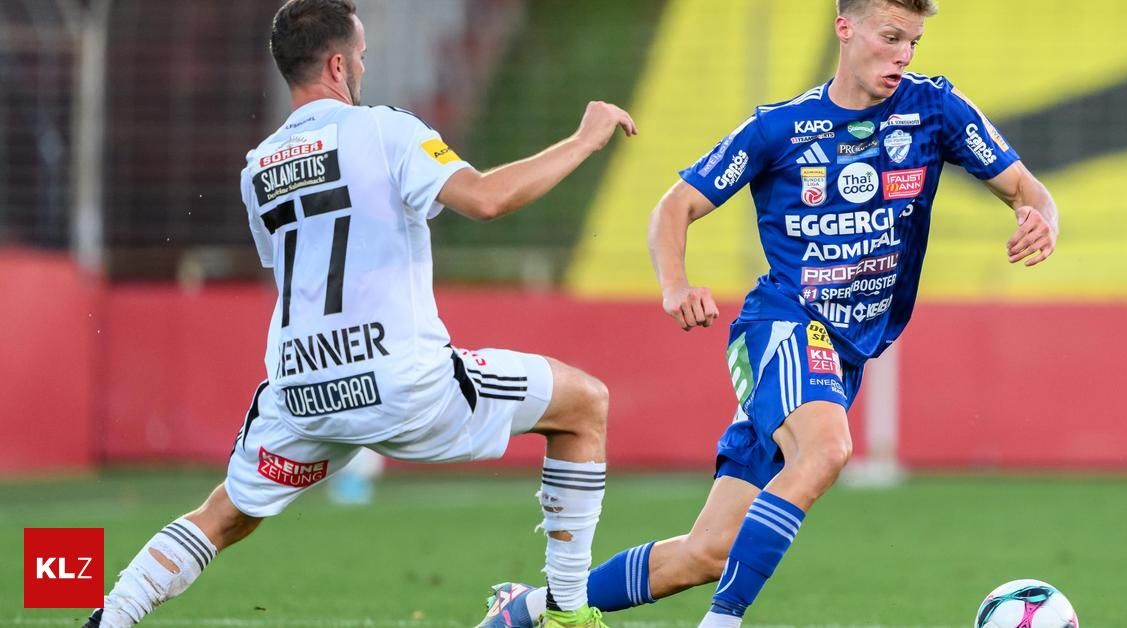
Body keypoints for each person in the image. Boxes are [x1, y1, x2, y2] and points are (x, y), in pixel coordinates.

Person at [479, 0, 1058, 625]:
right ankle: (723, 621)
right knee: (826, 451)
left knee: (708, 552)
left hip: (843, 356)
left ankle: (527, 608)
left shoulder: (935, 109)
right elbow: (674, 207)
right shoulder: (780, 129)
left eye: (913, 42)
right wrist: (675, 285)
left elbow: (1027, 188)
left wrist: (1041, 218)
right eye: (891, 37)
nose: (904, 56)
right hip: (783, 326)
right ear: (845, 28)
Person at [86, 1, 635, 627]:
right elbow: (487, 198)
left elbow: (296, 265)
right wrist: (585, 139)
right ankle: (566, 611)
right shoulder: (384, 129)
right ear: (337, 64)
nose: (365, 67)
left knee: (227, 513)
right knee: (584, 404)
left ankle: (112, 616)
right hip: (401, 384)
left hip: (303, 389)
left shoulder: (257, 167)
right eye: (362, 56)